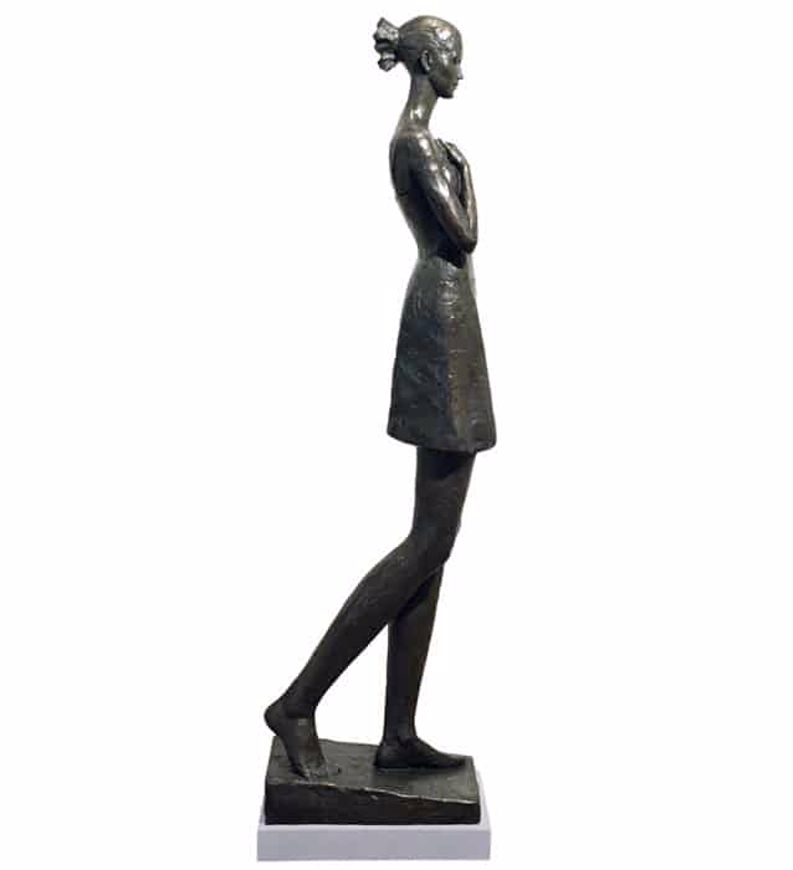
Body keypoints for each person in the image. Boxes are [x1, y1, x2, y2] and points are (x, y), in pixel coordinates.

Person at [265, 16, 496, 779]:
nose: (461, 66)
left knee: (436, 542)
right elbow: (463, 235)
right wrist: (470, 177)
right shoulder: (419, 145)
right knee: (429, 541)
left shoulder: (419, 142)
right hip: (440, 323)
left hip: (448, 319)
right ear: (428, 60)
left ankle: (398, 733)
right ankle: (299, 701)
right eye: (453, 53)